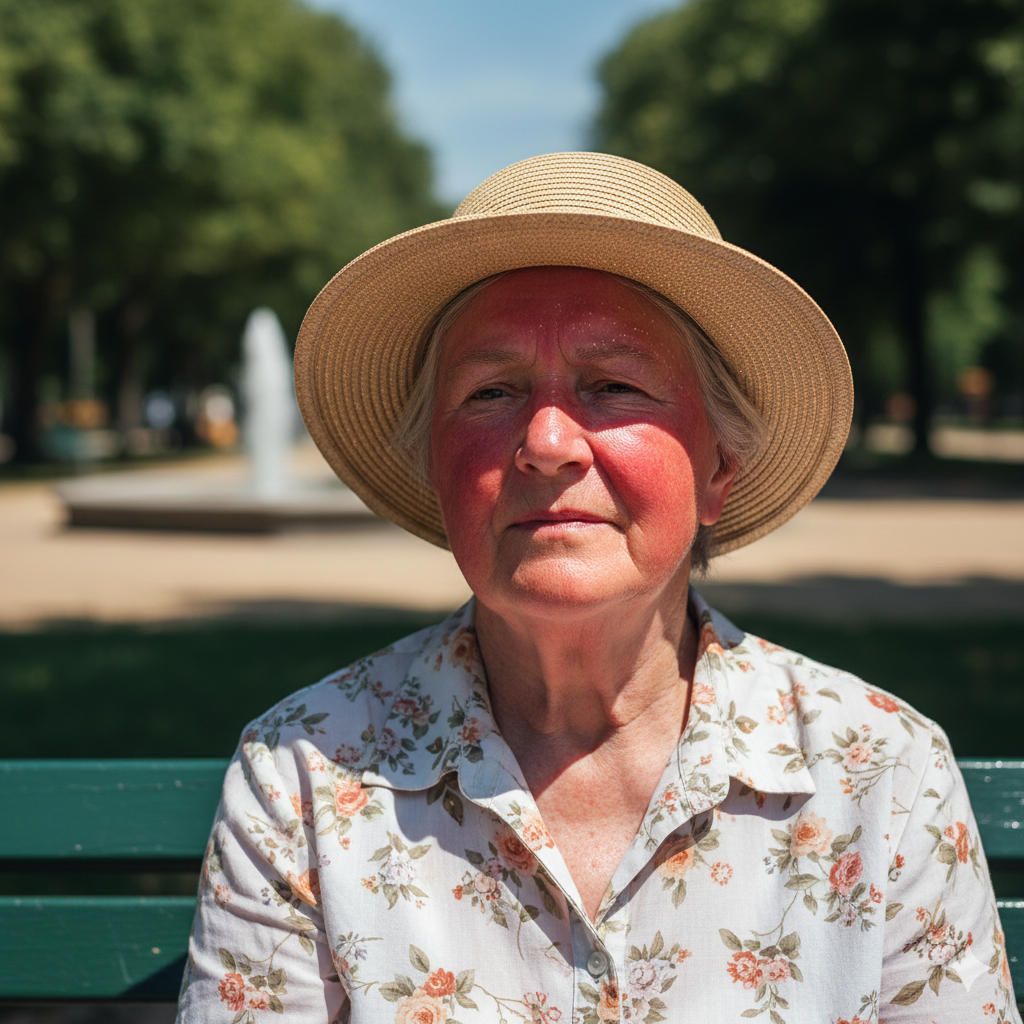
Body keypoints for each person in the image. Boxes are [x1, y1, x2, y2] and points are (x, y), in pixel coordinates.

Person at [176, 153, 1019, 1024]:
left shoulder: (884, 772)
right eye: (489, 391)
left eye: (613, 386)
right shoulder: (301, 778)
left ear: (719, 466)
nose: (546, 442)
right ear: (436, 469)